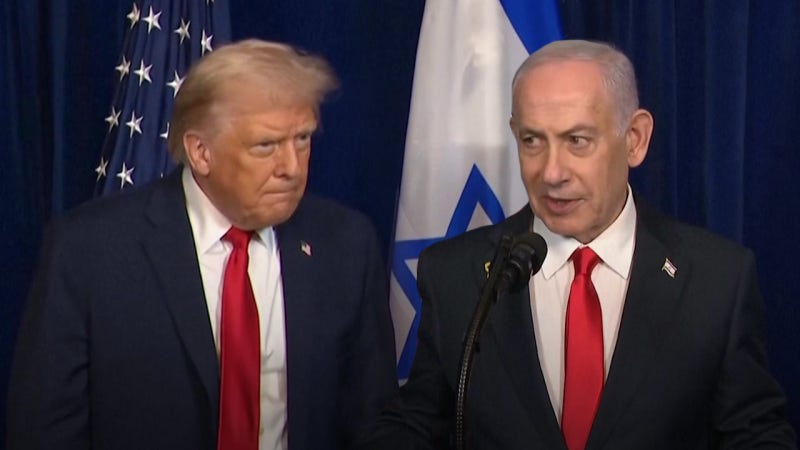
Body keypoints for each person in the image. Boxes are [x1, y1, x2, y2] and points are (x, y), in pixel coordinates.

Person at [358, 40, 796, 449]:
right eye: (532, 141)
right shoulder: (455, 275)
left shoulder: (717, 280)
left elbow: (756, 435)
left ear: (635, 139)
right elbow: (416, 424)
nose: (552, 173)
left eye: (577, 141)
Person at [7, 39, 397, 450]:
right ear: (200, 152)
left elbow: (374, 421)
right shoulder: (89, 252)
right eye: (266, 145)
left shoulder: (346, 244)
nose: (292, 167)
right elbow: (44, 431)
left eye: (302, 139)